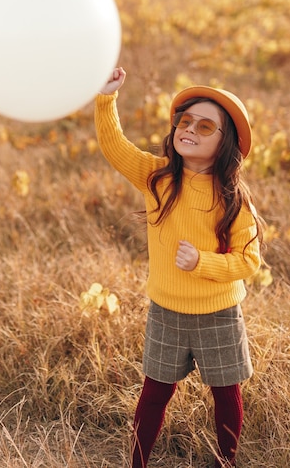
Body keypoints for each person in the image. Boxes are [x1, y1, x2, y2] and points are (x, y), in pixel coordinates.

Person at [95, 67, 263, 468]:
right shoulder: (158, 178)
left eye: (206, 127)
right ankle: (137, 463)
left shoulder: (233, 200)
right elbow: (115, 146)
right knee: (154, 393)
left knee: (226, 393)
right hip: (167, 311)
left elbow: (250, 261)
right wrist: (106, 98)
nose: (190, 129)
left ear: (226, 144)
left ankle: (227, 462)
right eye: (185, 121)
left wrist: (202, 262)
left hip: (218, 314)